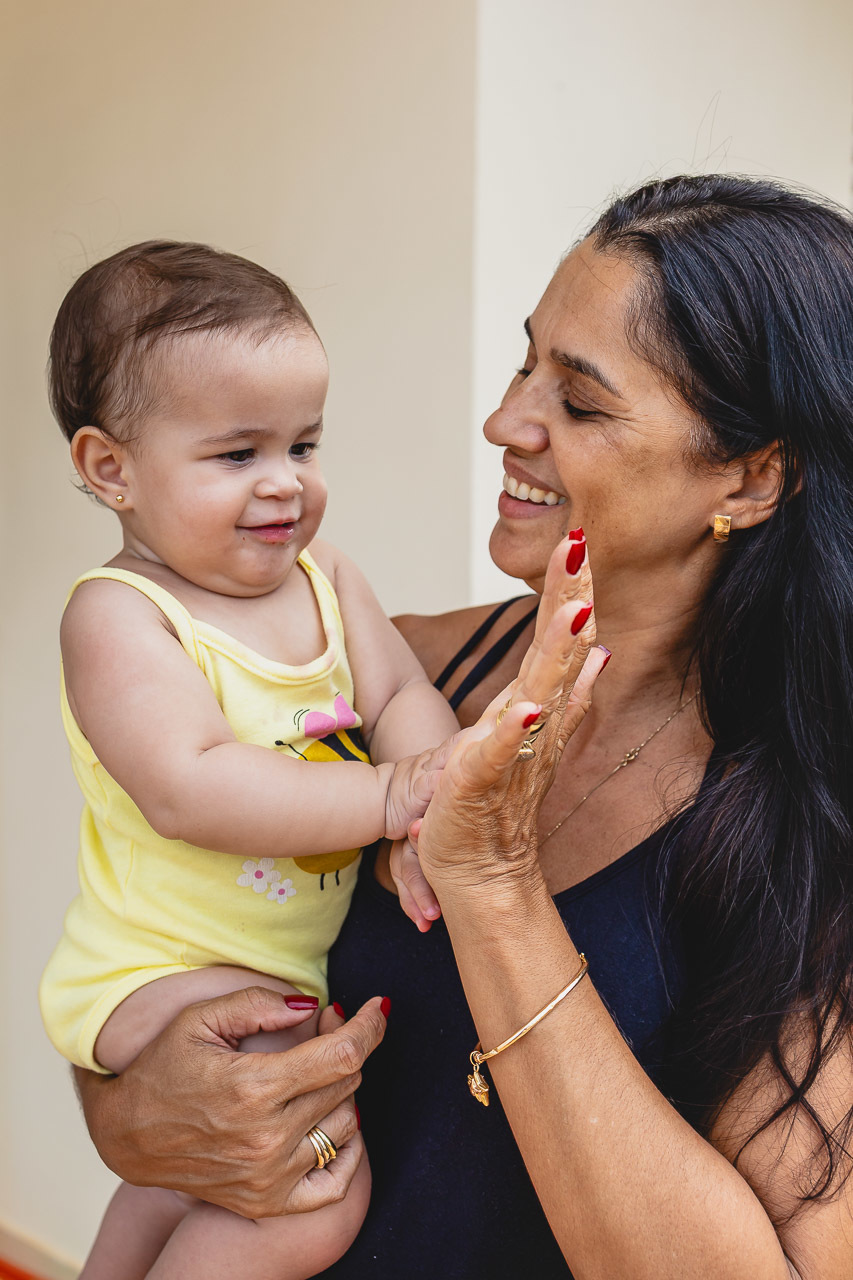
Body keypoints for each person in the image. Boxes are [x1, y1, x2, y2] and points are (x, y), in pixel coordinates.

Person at [72, 176, 853, 1278]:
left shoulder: (809, 832)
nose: (504, 423)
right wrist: (132, 1108)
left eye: (578, 402)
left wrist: (490, 883)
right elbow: (163, 930)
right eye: (521, 363)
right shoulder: (402, 671)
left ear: (753, 475)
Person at [39, 240, 552, 1278]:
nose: (284, 484)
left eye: (304, 445)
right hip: (161, 965)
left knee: (183, 1177)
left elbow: (404, 694)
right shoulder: (122, 616)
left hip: (258, 960)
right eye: (236, 455)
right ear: (111, 469)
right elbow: (188, 786)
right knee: (312, 1190)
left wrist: (429, 807)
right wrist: (382, 792)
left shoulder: (326, 583)